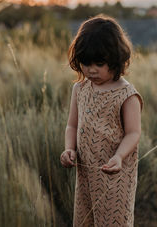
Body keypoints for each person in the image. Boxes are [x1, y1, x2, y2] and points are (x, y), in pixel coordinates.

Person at [60, 14, 143, 227]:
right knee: (85, 221)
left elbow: (133, 133)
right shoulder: (80, 89)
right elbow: (72, 125)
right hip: (86, 175)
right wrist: (69, 148)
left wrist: (119, 156)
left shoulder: (126, 94)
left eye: (99, 63)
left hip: (115, 175)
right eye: (85, 63)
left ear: (116, 59)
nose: (91, 70)